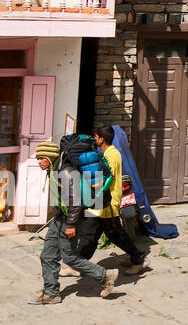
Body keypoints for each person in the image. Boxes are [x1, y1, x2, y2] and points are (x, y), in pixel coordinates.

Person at [30, 141, 117, 304]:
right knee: (47, 255)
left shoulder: (66, 172)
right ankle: (51, 293)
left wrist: (71, 225)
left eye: (41, 158)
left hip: (69, 220)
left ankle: (106, 276)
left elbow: (75, 201)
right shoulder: (53, 169)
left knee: (69, 258)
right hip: (59, 219)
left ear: (50, 157)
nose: (39, 162)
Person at [77, 126, 149, 274]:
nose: (95, 140)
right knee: (89, 233)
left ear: (102, 139)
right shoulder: (105, 153)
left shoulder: (112, 154)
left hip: (107, 201)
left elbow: (106, 178)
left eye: (96, 137)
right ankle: (78, 264)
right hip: (99, 201)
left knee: (116, 234)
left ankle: (139, 259)